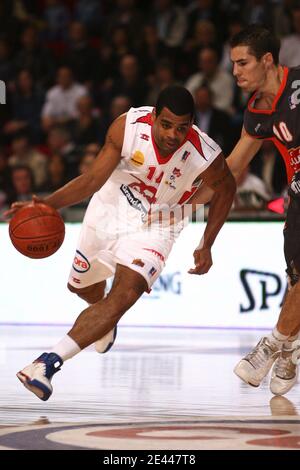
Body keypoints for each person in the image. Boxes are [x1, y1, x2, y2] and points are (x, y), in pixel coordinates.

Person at [5, 86, 236, 401]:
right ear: (154, 116)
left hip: (159, 225)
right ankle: (102, 321)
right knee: (83, 289)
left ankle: (45, 364)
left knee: (126, 294)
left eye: (181, 128)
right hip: (110, 209)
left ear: (192, 124)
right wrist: (46, 205)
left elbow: (226, 190)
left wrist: (207, 242)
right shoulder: (127, 127)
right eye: (166, 124)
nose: (172, 134)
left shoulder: (205, 154)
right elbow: (91, 179)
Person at [187, 25, 300, 396]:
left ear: (267, 61)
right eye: (233, 63)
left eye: (242, 63)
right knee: (296, 282)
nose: (235, 71)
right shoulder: (256, 112)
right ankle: (292, 349)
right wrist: (182, 202)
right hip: (297, 200)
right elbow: (232, 169)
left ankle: (270, 347)